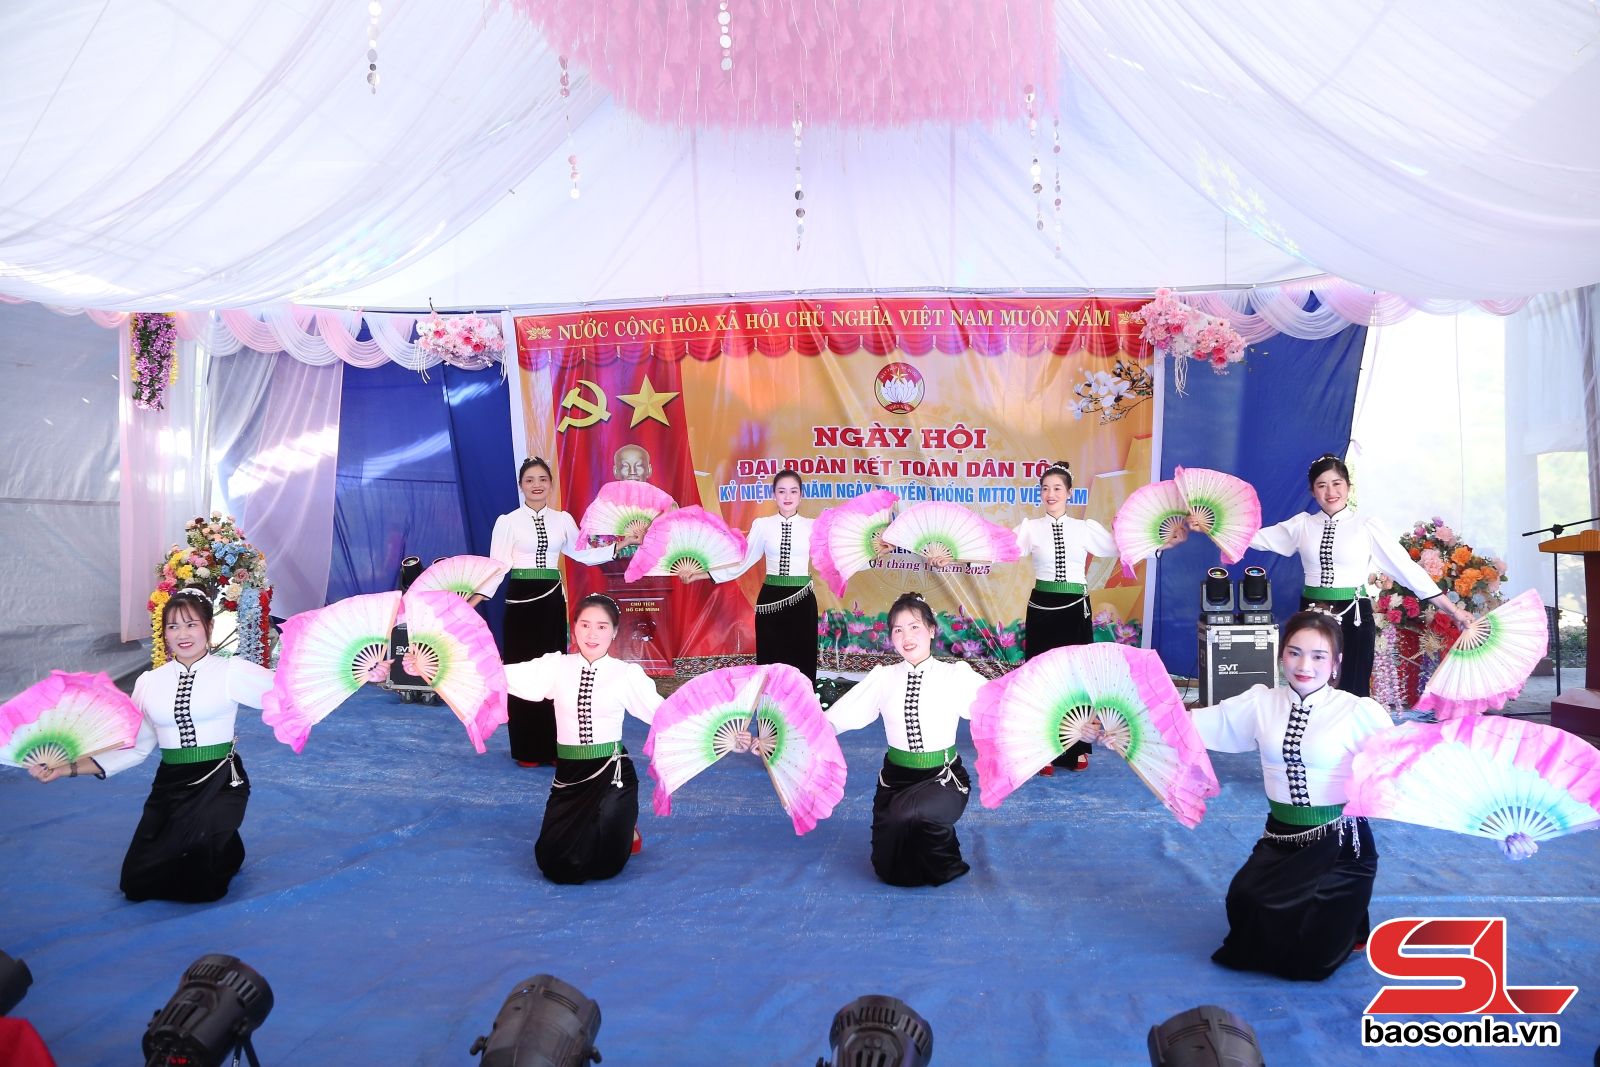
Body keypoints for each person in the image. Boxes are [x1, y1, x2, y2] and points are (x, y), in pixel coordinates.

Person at [1155, 611, 1385, 980]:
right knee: (1246, 902)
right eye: (1294, 653)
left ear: (1336, 663)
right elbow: (1191, 725)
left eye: (1318, 656)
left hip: (1339, 845)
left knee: (1310, 960)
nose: (1304, 666)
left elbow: (1402, 762)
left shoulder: (1356, 711)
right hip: (1280, 836)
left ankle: (1350, 914)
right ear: (1281, 656)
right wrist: (1124, 726)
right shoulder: (1262, 703)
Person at [29, 589, 273, 903]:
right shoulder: (149, 682)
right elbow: (133, 746)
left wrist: (336, 675)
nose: (182, 634)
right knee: (137, 882)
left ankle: (219, 842)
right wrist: (65, 768)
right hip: (171, 784)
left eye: (191, 625)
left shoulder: (232, 671)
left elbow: (285, 691)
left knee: (200, 886)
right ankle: (223, 843)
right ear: (164, 633)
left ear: (209, 627)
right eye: (173, 626)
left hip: (221, 780)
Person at [473, 458, 638, 766]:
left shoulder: (562, 520)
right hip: (520, 603)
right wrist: (474, 598)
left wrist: (620, 545)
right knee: (521, 670)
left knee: (554, 672)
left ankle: (554, 748)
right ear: (521, 486)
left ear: (550, 484)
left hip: (551, 601)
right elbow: (497, 567)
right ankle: (526, 750)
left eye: (542, 479)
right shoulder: (508, 522)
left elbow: (581, 554)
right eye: (529, 480)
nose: (536, 485)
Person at [825, 592, 984, 887]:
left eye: (914, 627)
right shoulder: (884, 677)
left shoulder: (955, 676)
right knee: (887, 861)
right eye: (898, 630)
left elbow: (997, 707)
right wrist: (791, 736)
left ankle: (944, 856)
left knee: (913, 814)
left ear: (932, 630)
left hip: (943, 776)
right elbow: (838, 717)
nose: (906, 637)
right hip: (895, 779)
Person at [503, 594, 664, 884]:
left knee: (604, 865)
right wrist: (435, 669)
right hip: (569, 776)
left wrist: (721, 734)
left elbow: (667, 715)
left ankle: (625, 825)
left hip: (613, 774)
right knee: (556, 865)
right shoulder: (555, 667)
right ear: (573, 626)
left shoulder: (626, 674)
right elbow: (494, 676)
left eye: (602, 627)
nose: (592, 634)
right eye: (585, 625)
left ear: (614, 632)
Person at [1013, 459, 1115, 773]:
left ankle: (1077, 746)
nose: (1051, 494)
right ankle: (1042, 748)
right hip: (1042, 607)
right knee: (1042, 677)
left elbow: (1119, 546)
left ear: (1069, 493)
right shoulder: (1030, 528)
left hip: (1075, 607)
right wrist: (954, 554)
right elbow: (1000, 549)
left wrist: (1158, 538)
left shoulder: (1084, 529)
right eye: (1045, 488)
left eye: (1057, 488)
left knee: (1077, 677)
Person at [693, 468, 818, 683]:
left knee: (802, 656)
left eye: (793, 491)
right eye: (781, 491)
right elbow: (743, 561)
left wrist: (872, 553)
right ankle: (770, 702)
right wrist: (702, 574)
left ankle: (801, 701)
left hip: (803, 600)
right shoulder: (762, 525)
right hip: (770, 600)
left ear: (801, 495)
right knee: (771, 657)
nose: (787, 497)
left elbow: (835, 557)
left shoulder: (813, 526)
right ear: (774, 495)